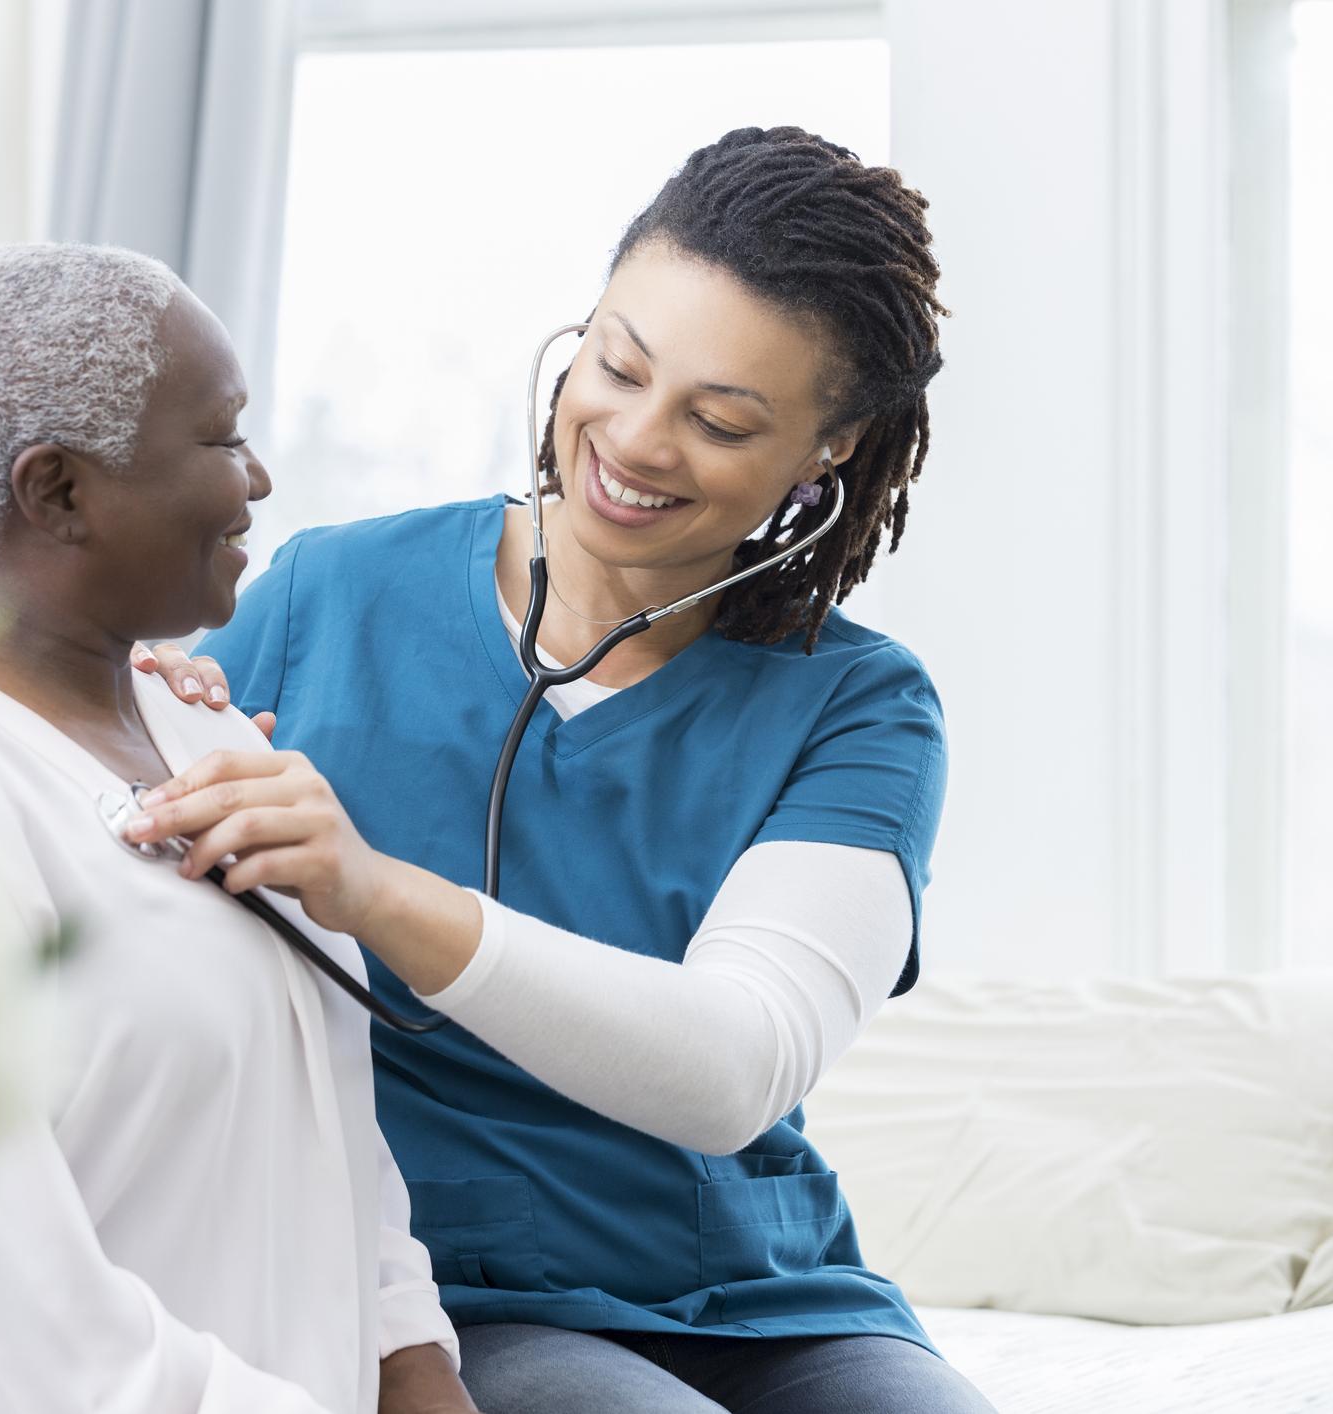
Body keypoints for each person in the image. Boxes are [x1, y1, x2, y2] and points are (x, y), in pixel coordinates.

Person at [130, 127, 994, 1413]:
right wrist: (140, 712)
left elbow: (731, 1068)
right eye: (619, 363)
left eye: (719, 419)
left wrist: (373, 891)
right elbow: (118, 873)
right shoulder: (332, 596)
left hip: (770, 1305)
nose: (638, 441)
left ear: (826, 453)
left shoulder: (860, 706)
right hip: (461, 1298)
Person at [0, 245, 477, 1414]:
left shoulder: (208, 728)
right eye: (222, 437)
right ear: (59, 490)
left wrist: (416, 1370)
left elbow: (325, 1133)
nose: (260, 477)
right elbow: (18, 1342)